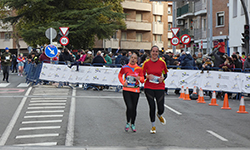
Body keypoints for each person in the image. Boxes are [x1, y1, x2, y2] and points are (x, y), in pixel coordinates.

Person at [142, 45, 168, 134]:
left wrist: (163, 78)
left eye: (156, 51)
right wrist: (147, 76)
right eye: (153, 51)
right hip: (149, 87)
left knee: (161, 107)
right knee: (152, 106)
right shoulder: (146, 63)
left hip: (159, 86)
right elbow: (142, 74)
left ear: (158, 53)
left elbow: (165, 74)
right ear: (150, 52)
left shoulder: (162, 63)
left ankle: (159, 114)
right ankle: (153, 126)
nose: (155, 53)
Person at [118, 53, 144, 132]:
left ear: (137, 60)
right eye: (132, 58)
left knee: (134, 108)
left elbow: (142, 79)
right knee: (129, 107)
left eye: (135, 58)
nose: (133, 59)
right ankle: (128, 122)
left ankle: (133, 123)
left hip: (135, 90)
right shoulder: (125, 67)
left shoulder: (139, 68)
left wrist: (139, 78)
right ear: (130, 58)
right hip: (127, 90)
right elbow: (120, 75)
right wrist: (123, 82)